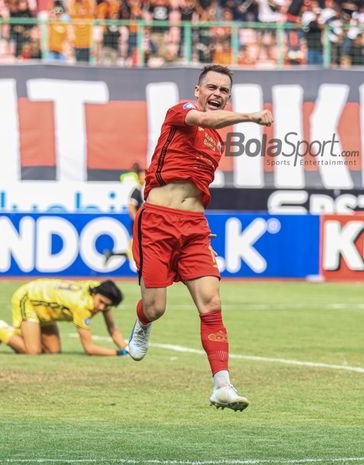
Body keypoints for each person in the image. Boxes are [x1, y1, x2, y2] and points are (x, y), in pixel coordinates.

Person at [126, 64, 273, 411]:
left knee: (212, 303)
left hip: (194, 227)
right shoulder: (182, 112)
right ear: (197, 90)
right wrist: (251, 116)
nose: (218, 94)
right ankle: (143, 322)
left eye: (224, 90)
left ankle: (222, 384)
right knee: (155, 307)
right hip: (158, 222)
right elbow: (204, 120)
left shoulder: (216, 140)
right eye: (212, 87)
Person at [0, 279, 128, 356]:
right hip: (28, 298)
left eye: (106, 305)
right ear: (95, 294)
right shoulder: (82, 305)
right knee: (33, 351)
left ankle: (15, 333)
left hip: (47, 308)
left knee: (53, 350)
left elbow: (113, 329)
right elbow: (89, 348)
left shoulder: (99, 289)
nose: (101, 308)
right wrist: (118, 353)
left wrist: (126, 348)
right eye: (101, 303)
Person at [104, 169, 145, 264]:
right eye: (143, 176)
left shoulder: (145, 190)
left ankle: (111, 254)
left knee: (138, 250)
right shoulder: (137, 191)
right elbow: (131, 207)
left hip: (144, 223)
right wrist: (137, 220)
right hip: (139, 224)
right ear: (139, 178)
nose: (145, 178)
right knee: (136, 249)